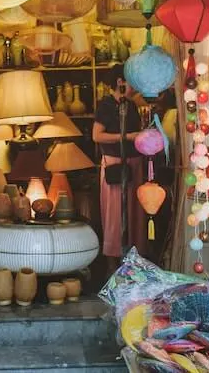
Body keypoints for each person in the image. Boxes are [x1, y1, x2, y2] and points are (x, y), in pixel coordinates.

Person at [93, 64, 146, 268]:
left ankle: (133, 262)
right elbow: (97, 135)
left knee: (135, 214)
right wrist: (127, 137)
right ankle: (112, 266)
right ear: (120, 81)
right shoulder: (106, 105)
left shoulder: (131, 105)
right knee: (115, 214)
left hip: (134, 162)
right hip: (115, 162)